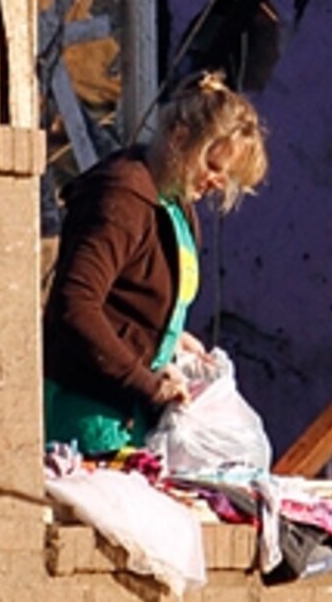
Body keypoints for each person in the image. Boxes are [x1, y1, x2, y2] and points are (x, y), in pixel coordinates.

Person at [42, 73, 267, 457]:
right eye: (213, 164)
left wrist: (173, 335)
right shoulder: (121, 197)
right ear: (180, 137)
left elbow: (131, 298)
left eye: (226, 175)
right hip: (91, 418)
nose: (216, 182)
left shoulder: (175, 204)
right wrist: (146, 383)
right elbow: (75, 306)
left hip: (132, 418)